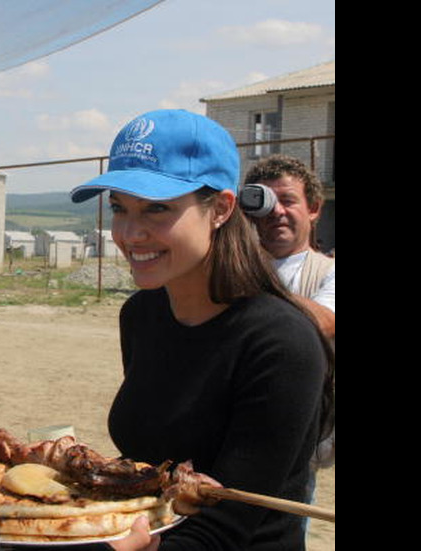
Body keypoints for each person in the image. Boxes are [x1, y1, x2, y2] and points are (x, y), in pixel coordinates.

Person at [69, 109, 334, 550]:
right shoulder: (141, 315)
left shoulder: (282, 343)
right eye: (119, 208)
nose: (131, 233)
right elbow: (148, 468)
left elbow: (226, 526)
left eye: (157, 209)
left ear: (222, 209)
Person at [244, 154, 334, 341]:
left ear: (313, 208)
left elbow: (324, 322)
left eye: (287, 200)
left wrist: (250, 290)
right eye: (266, 202)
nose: (276, 211)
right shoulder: (235, 266)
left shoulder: (330, 271)